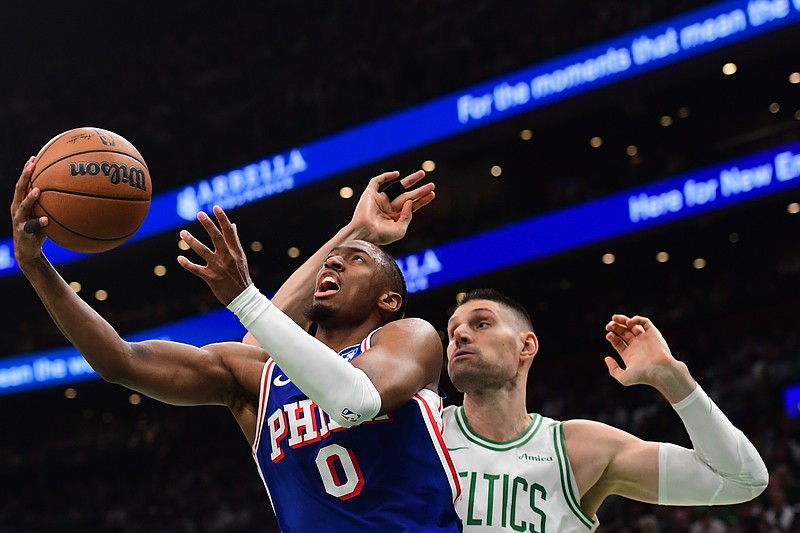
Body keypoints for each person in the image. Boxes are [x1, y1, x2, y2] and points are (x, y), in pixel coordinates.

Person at [11, 157, 461, 533]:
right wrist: (34, 266)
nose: (336, 261)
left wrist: (246, 298)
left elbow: (356, 400)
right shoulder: (258, 376)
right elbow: (120, 361)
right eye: (332, 261)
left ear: (390, 299)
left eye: (356, 259)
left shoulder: (410, 337)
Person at [442, 288, 768, 532]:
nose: (461, 335)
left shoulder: (579, 448)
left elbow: (743, 480)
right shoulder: (428, 432)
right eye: (453, 332)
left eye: (481, 323)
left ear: (526, 346)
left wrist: (675, 380)